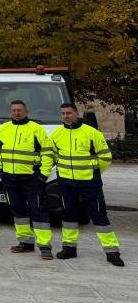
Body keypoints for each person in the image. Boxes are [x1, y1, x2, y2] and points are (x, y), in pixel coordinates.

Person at [50, 102, 123, 267]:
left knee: (99, 215)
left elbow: (105, 157)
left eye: (69, 113)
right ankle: (69, 248)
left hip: (90, 183)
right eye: (63, 113)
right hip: (66, 182)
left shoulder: (92, 133)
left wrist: (94, 173)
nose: (66, 116)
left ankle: (112, 251)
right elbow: (53, 156)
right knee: (68, 216)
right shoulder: (56, 134)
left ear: (76, 113)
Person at [0, 100, 55, 259]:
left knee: (39, 211)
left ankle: (44, 245)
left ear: (26, 111)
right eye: (13, 110)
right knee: (18, 211)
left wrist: (43, 175)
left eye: (19, 110)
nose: (16, 113)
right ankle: (26, 243)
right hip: (10, 179)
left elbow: (48, 153)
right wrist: (0, 169)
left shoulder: (36, 129)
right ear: (10, 112)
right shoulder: (4, 128)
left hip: (32, 179)